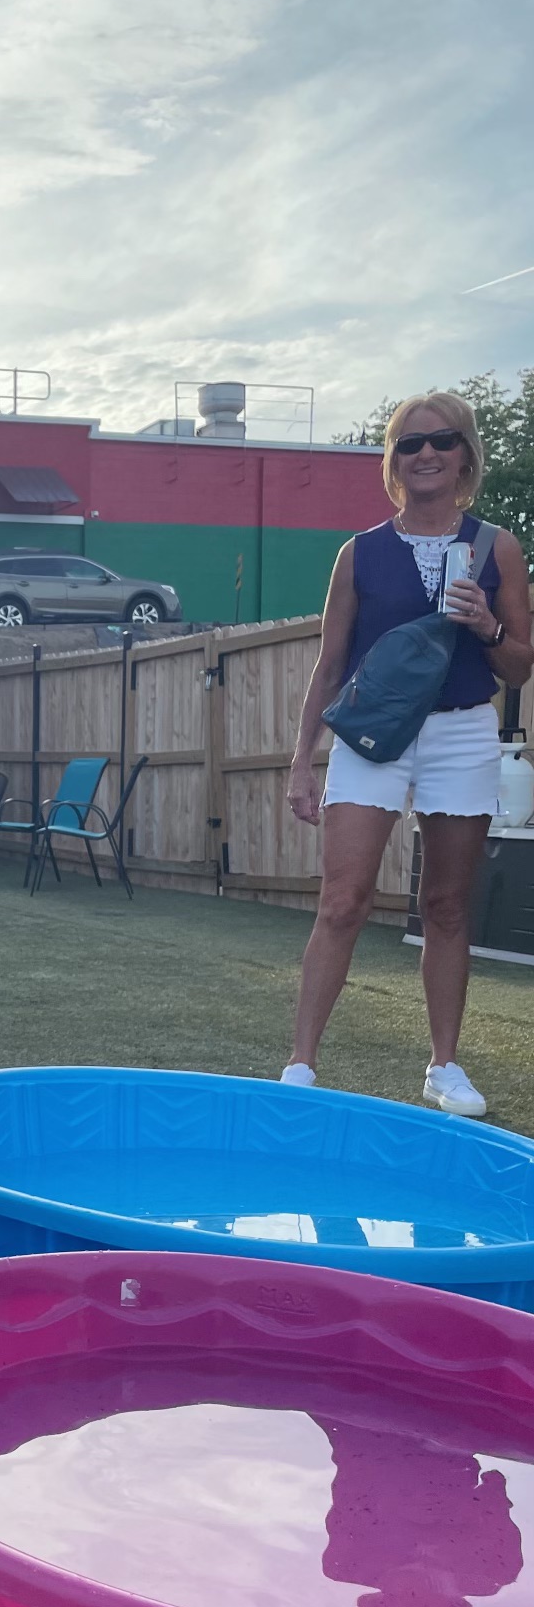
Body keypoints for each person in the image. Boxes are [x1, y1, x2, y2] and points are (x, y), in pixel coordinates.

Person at [282, 390, 531, 1116]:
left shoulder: (500, 547)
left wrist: (486, 625)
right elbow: (329, 665)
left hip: (462, 732)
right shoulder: (358, 553)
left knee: (448, 906)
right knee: (342, 900)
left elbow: (519, 665)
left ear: (465, 455)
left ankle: (443, 1067)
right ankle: (301, 1066)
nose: (425, 454)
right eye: (408, 444)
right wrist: (303, 759)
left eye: (441, 441)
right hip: (373, 736)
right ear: (393, 462)